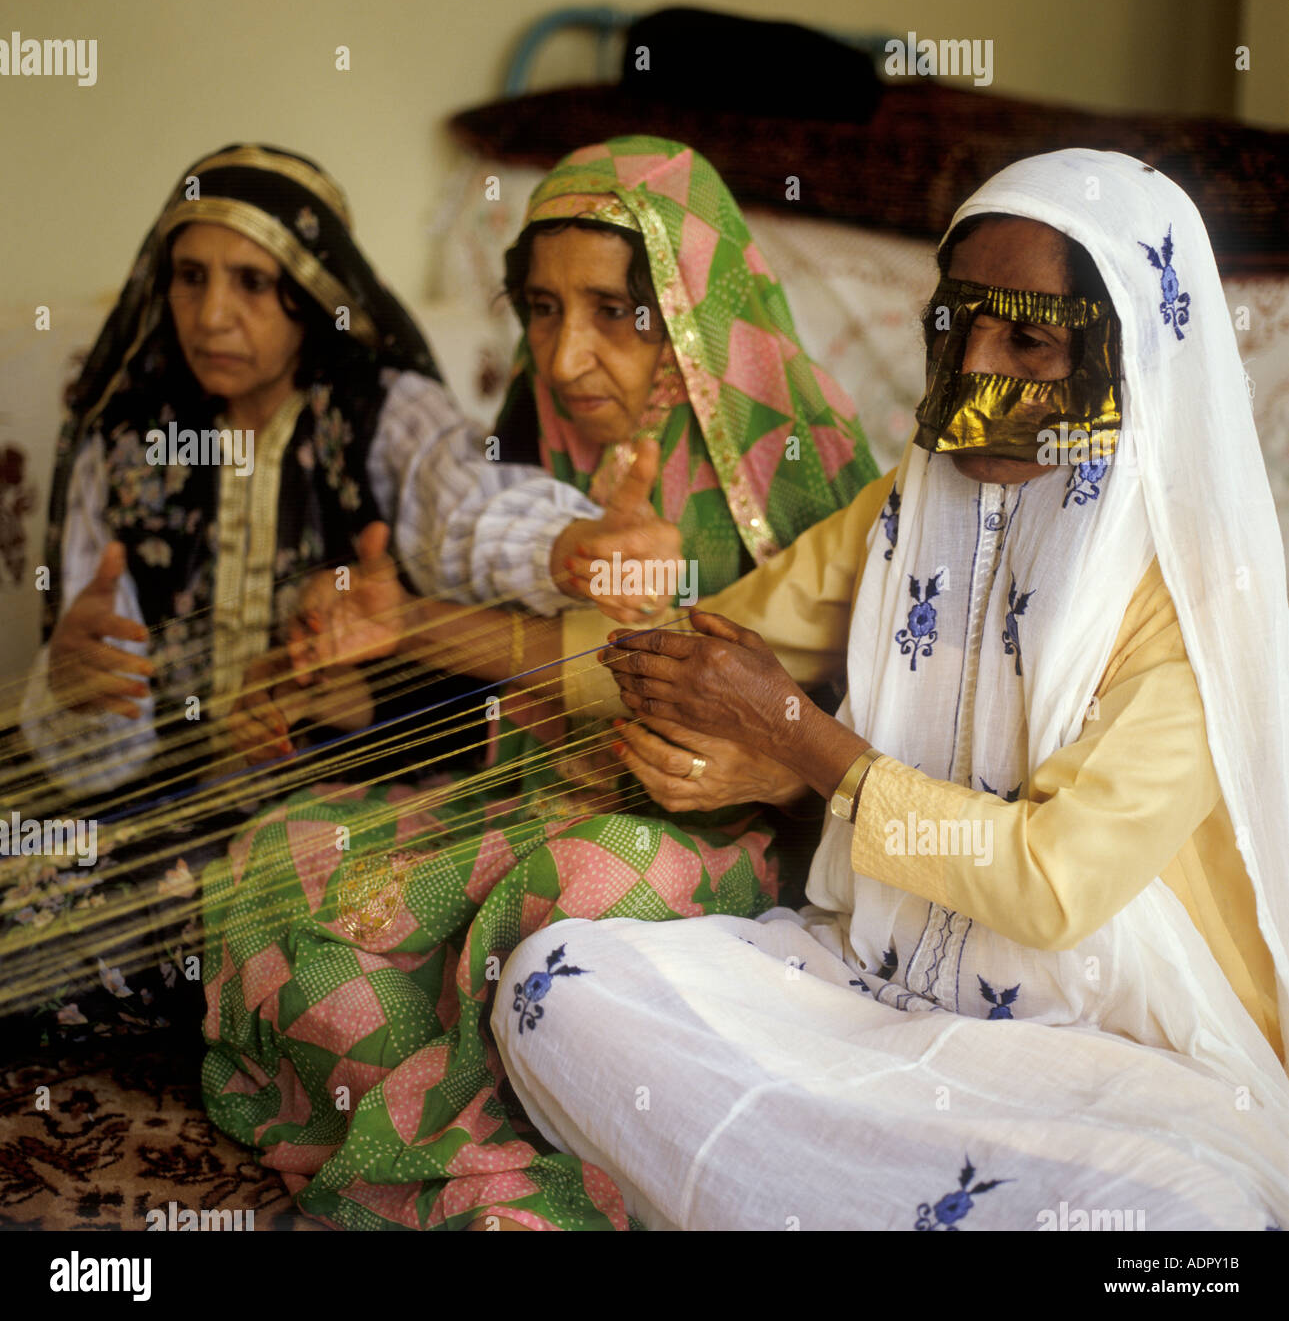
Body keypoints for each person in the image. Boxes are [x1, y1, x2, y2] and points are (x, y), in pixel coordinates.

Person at [495, 150, 1289, 1231]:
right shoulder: (907, 499)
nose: (970, 367)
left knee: (1189, 1215)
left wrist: (788, 735)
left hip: (1103, 1030)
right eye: (951, 325)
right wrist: (417, 634)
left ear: (1126, 359)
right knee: (555, 983)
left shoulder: (1195, 590)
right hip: (863, 972)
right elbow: (710, 647)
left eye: (1024, 337)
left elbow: (1050, 885)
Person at [200, 136, 880, 1230]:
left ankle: (454, 1153)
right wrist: (393, 626)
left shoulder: (799, 473)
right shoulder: (543, 444)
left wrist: (779, 762)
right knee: (277, 861)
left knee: (578, 886)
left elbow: (838, 719)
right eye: (542, 309)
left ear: (698, 315)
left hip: (728, 841)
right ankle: (483, 1161)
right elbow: (558, 655)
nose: (566, 359)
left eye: (618, 313)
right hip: (537, 797)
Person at [3, 142, 671, 1047]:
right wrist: (77, 688)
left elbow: (462, 509)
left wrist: (564, 548)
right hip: (158, 805)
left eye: (250, 282)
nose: (211, 315)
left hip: (349, 808)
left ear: (313, 291)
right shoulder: (125, 442)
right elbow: (106, 751)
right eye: (189, 278)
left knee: (239, 940)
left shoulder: (383, 413)